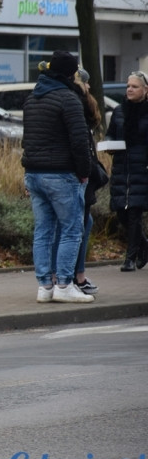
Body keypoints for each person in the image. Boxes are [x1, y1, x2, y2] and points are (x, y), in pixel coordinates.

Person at [22, 51, 93, 304]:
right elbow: (80, 141)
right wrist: (84, 172)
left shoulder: (32, 98)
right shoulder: (68, 99)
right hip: (61, 174)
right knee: (72, 230)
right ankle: (64, 284)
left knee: (43, 231)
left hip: (33, 173)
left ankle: (45, 287)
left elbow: (27, 140)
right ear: (69, 74)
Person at [104, 70, 148, 272]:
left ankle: (130, 258)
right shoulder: (119, 111)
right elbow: (111, 134)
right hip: (122, 168)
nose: (129, 89)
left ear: (145, 90)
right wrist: (109, 144)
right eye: (128, 86)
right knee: (121, 213)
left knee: (134, 214)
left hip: (141, 169)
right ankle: (144, 246)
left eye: (134, 86)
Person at [71, 68, 103, 293]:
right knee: (76, 226)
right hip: (77, 175)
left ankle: (70, 276)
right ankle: (74, 277)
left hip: (79, 173)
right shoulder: (77, 104)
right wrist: (86, 172)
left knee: (83, 223)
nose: (89, 86)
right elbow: (80, 145)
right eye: (86, 82)